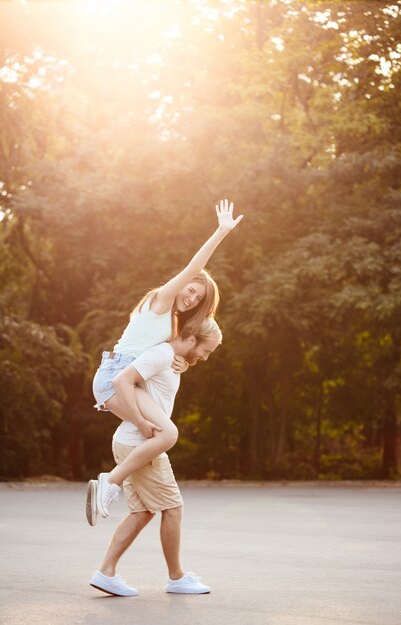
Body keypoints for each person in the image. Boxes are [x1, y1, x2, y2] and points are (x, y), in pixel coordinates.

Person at [90, 199, 243, 518]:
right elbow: (193, 268)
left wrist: (184, 362)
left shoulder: (171, 324)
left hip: (124, 378)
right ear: (180, 285)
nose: (190, 298)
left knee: (157, 434)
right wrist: (220, 232)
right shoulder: (161, 301)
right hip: (115, 377)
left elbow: (176, 353)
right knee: (167, 433)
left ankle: (124, 491)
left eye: (197, 299)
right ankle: (110, 482)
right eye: (190, 291)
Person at [89, 318, 223, 596]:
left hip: (131, 442)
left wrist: (184, 362)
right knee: (172, 508)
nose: (206, 358)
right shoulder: (161, 354)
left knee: (142, 512)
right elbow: (122, 379)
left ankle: (106, 572)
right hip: (142, 441)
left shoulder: (170, 357)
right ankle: (176, 577)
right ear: (191, 338)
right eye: (205, 350)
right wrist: (139, 421)